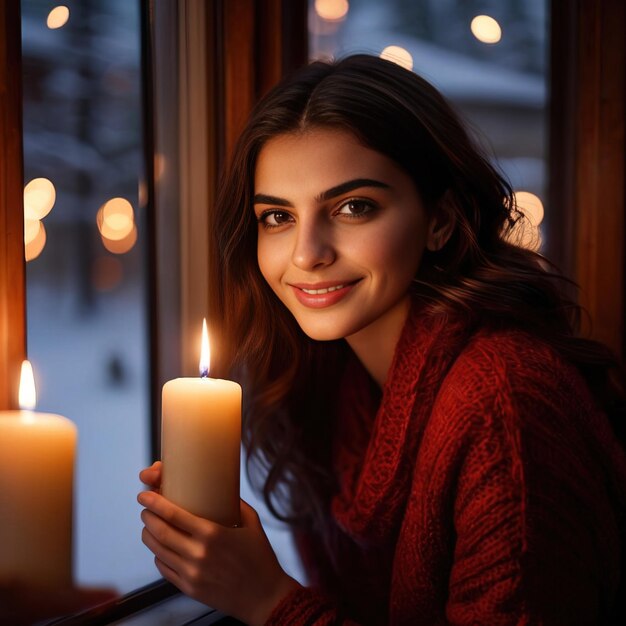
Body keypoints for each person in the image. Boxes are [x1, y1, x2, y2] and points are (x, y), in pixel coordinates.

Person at [138, 54, 626, 625]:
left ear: (440, 220)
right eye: (277, 217)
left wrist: (268, 602)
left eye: (353, 207)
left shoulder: (503, 403)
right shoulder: (325, 384)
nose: (306, 254)